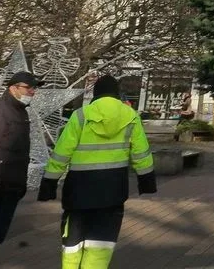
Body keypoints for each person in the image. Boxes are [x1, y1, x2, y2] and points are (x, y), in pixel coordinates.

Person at [38, 75, 155, 268]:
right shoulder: (131, 116)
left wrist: (49, 183)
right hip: (113, 190)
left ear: (96, 93)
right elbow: (141, 153)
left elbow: (62, 152)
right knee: (102, 242)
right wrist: (147, 181)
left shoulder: (81, 115)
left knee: (73, 242)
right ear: (117, 94)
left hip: (79, 190)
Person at [0, 71, 39, 264]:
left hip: (10, 187)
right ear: (13, 88)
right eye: (28, 87)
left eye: (34, 88)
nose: (33, 92)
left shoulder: (20, 110)